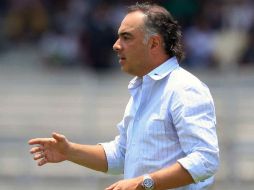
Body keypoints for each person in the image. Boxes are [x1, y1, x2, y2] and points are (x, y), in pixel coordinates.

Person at [28, 2, 219, 190]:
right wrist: (70, 151)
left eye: (126, 37)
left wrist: (143, 183)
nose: (116, 45)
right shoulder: (143, 88)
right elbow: (122, 155)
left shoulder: (184, 88)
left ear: (153, 43)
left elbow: (205, 159)